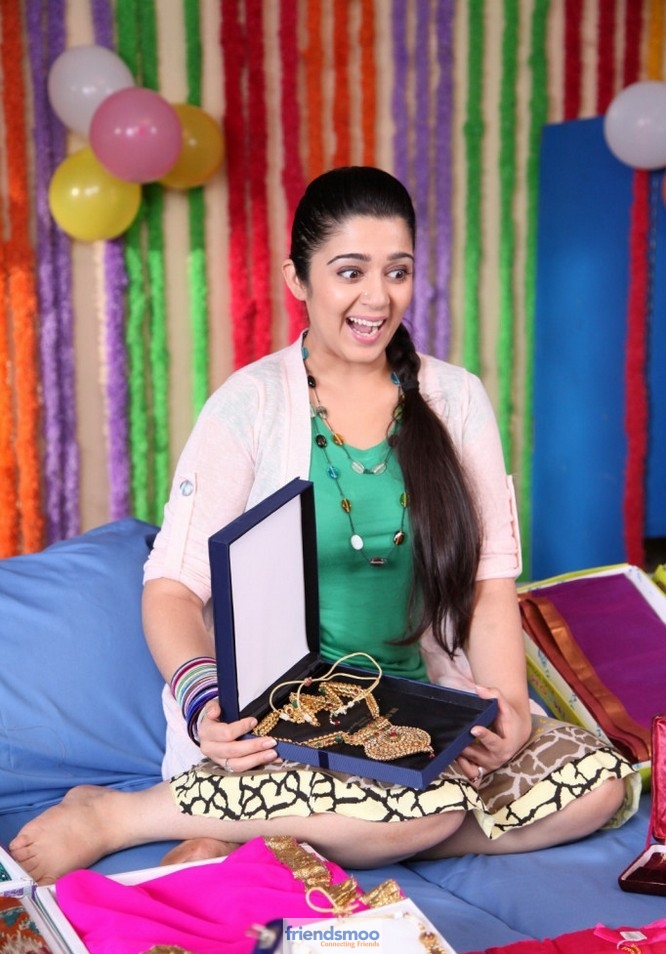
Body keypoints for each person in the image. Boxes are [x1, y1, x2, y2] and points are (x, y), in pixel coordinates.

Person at [10, 167, 639, 885]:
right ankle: (121, 814)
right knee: (424, 811)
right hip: (288, 722)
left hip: (420, 709)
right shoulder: (249, 405)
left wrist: (510, 714)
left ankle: (272, 831)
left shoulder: (457, 399)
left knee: (597, 786)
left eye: (397, 271)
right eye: (350, 272)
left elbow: (487, 584)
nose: (377, 297)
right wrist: (204, 698)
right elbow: (172, 589)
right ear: (298, 280)